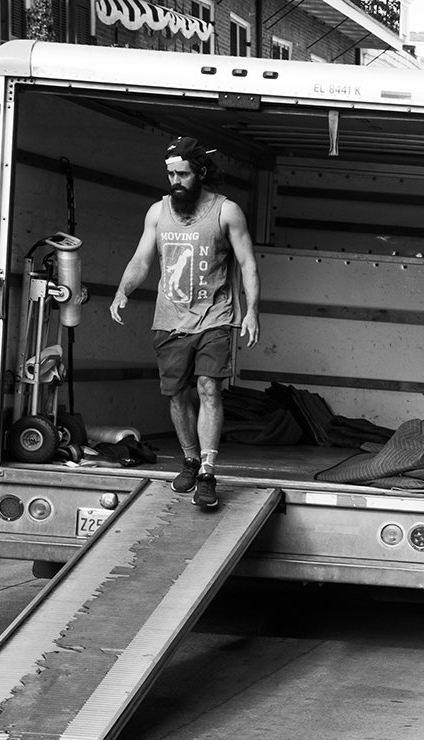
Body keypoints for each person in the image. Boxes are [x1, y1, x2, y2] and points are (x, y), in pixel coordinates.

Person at [109, 137, 259, 512]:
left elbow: (247, 263)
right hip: (169, 319)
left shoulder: (227, 212)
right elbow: (142, 260)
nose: (176, 180)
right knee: (177, 395)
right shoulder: (158, 213)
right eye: (171, 174)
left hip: (215, 316)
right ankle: (190, 460)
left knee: (209, 387)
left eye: (183, 173)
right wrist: (122, 291)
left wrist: (253, 311)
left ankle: (208, 470)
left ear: (201, 172)